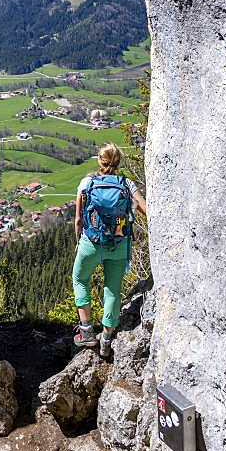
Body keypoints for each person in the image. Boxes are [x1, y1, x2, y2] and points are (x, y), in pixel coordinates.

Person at [72, 142, 147, 354]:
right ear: (118, 161)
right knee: (112, 290)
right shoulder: (127, 184)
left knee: (79, 279)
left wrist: (79, 242)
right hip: (119, 244)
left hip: (91, 243)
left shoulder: (87, 183)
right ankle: (106, 339)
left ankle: (86, 331)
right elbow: (145, 209)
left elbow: (78, 219)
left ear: (99, 160)